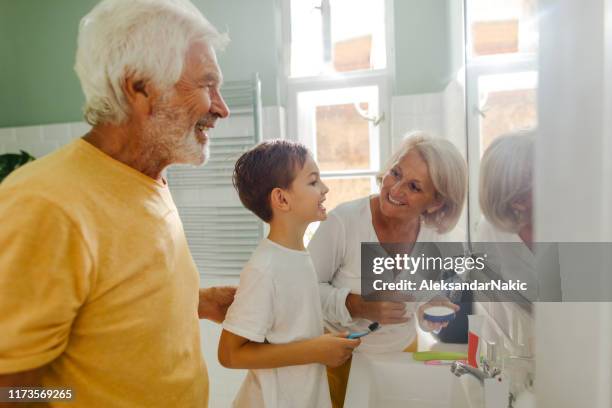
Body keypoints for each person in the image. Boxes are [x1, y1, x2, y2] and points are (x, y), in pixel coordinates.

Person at [0, 0, 234, 406]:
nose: (221, 107)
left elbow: (111, 305)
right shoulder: (46, 205)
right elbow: (10, 388)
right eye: (206, 84)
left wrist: (201, 301)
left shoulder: (148, 177)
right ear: (139, 86)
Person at [308, 131, 467, 407]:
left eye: (414, 187)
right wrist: (359, 305)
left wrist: (431, 308)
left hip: (401, 355)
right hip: (339, 359)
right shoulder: (344, 222)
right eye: (396, 173)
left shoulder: (435, 237)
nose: (394, 189)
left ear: (436, 202)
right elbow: (304, 291)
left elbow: (432, 295)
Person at [218, 140, 361, 408]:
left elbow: (289, 328)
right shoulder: (265, 268)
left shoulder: (297, 256)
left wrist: (323, 343)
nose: (325, 188)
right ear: (282, 199)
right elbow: (229, 354)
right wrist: (315, 350)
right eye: (313, 181)